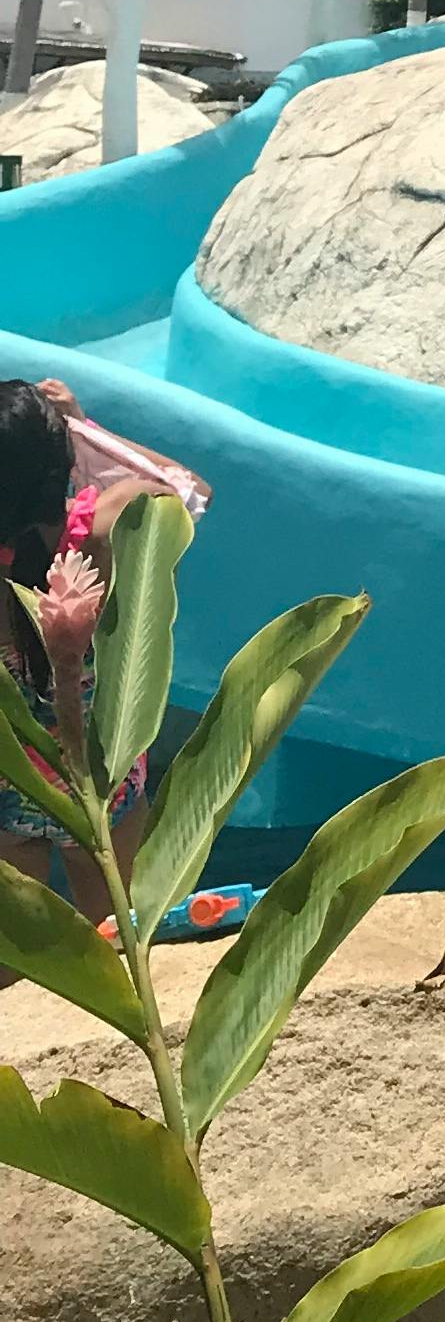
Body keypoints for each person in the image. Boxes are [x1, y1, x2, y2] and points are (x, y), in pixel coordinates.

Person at [0, 375, 205, 922]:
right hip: (103, 772)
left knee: (21, 959)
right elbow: (187, 491)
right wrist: (83, 427)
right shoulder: (108, 527)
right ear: (59, 459)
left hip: (12, 778)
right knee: (127, 931)